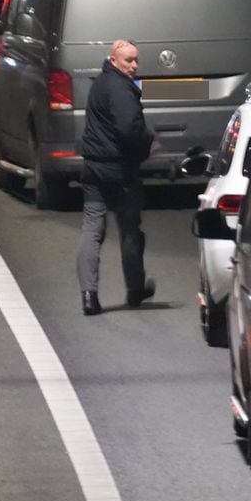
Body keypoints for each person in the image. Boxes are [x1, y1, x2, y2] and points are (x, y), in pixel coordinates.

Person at [76, 39, 157, 316]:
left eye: (136, 60)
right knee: (130, 231)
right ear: (113, 60)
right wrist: (149, 141)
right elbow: (129, 128)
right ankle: (135, 289)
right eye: (128, 60)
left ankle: (89, 295)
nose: (134, 66)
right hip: (120, 170)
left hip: (93, 168)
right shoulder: (121, 88)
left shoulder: (100, 83)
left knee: (91, 231)